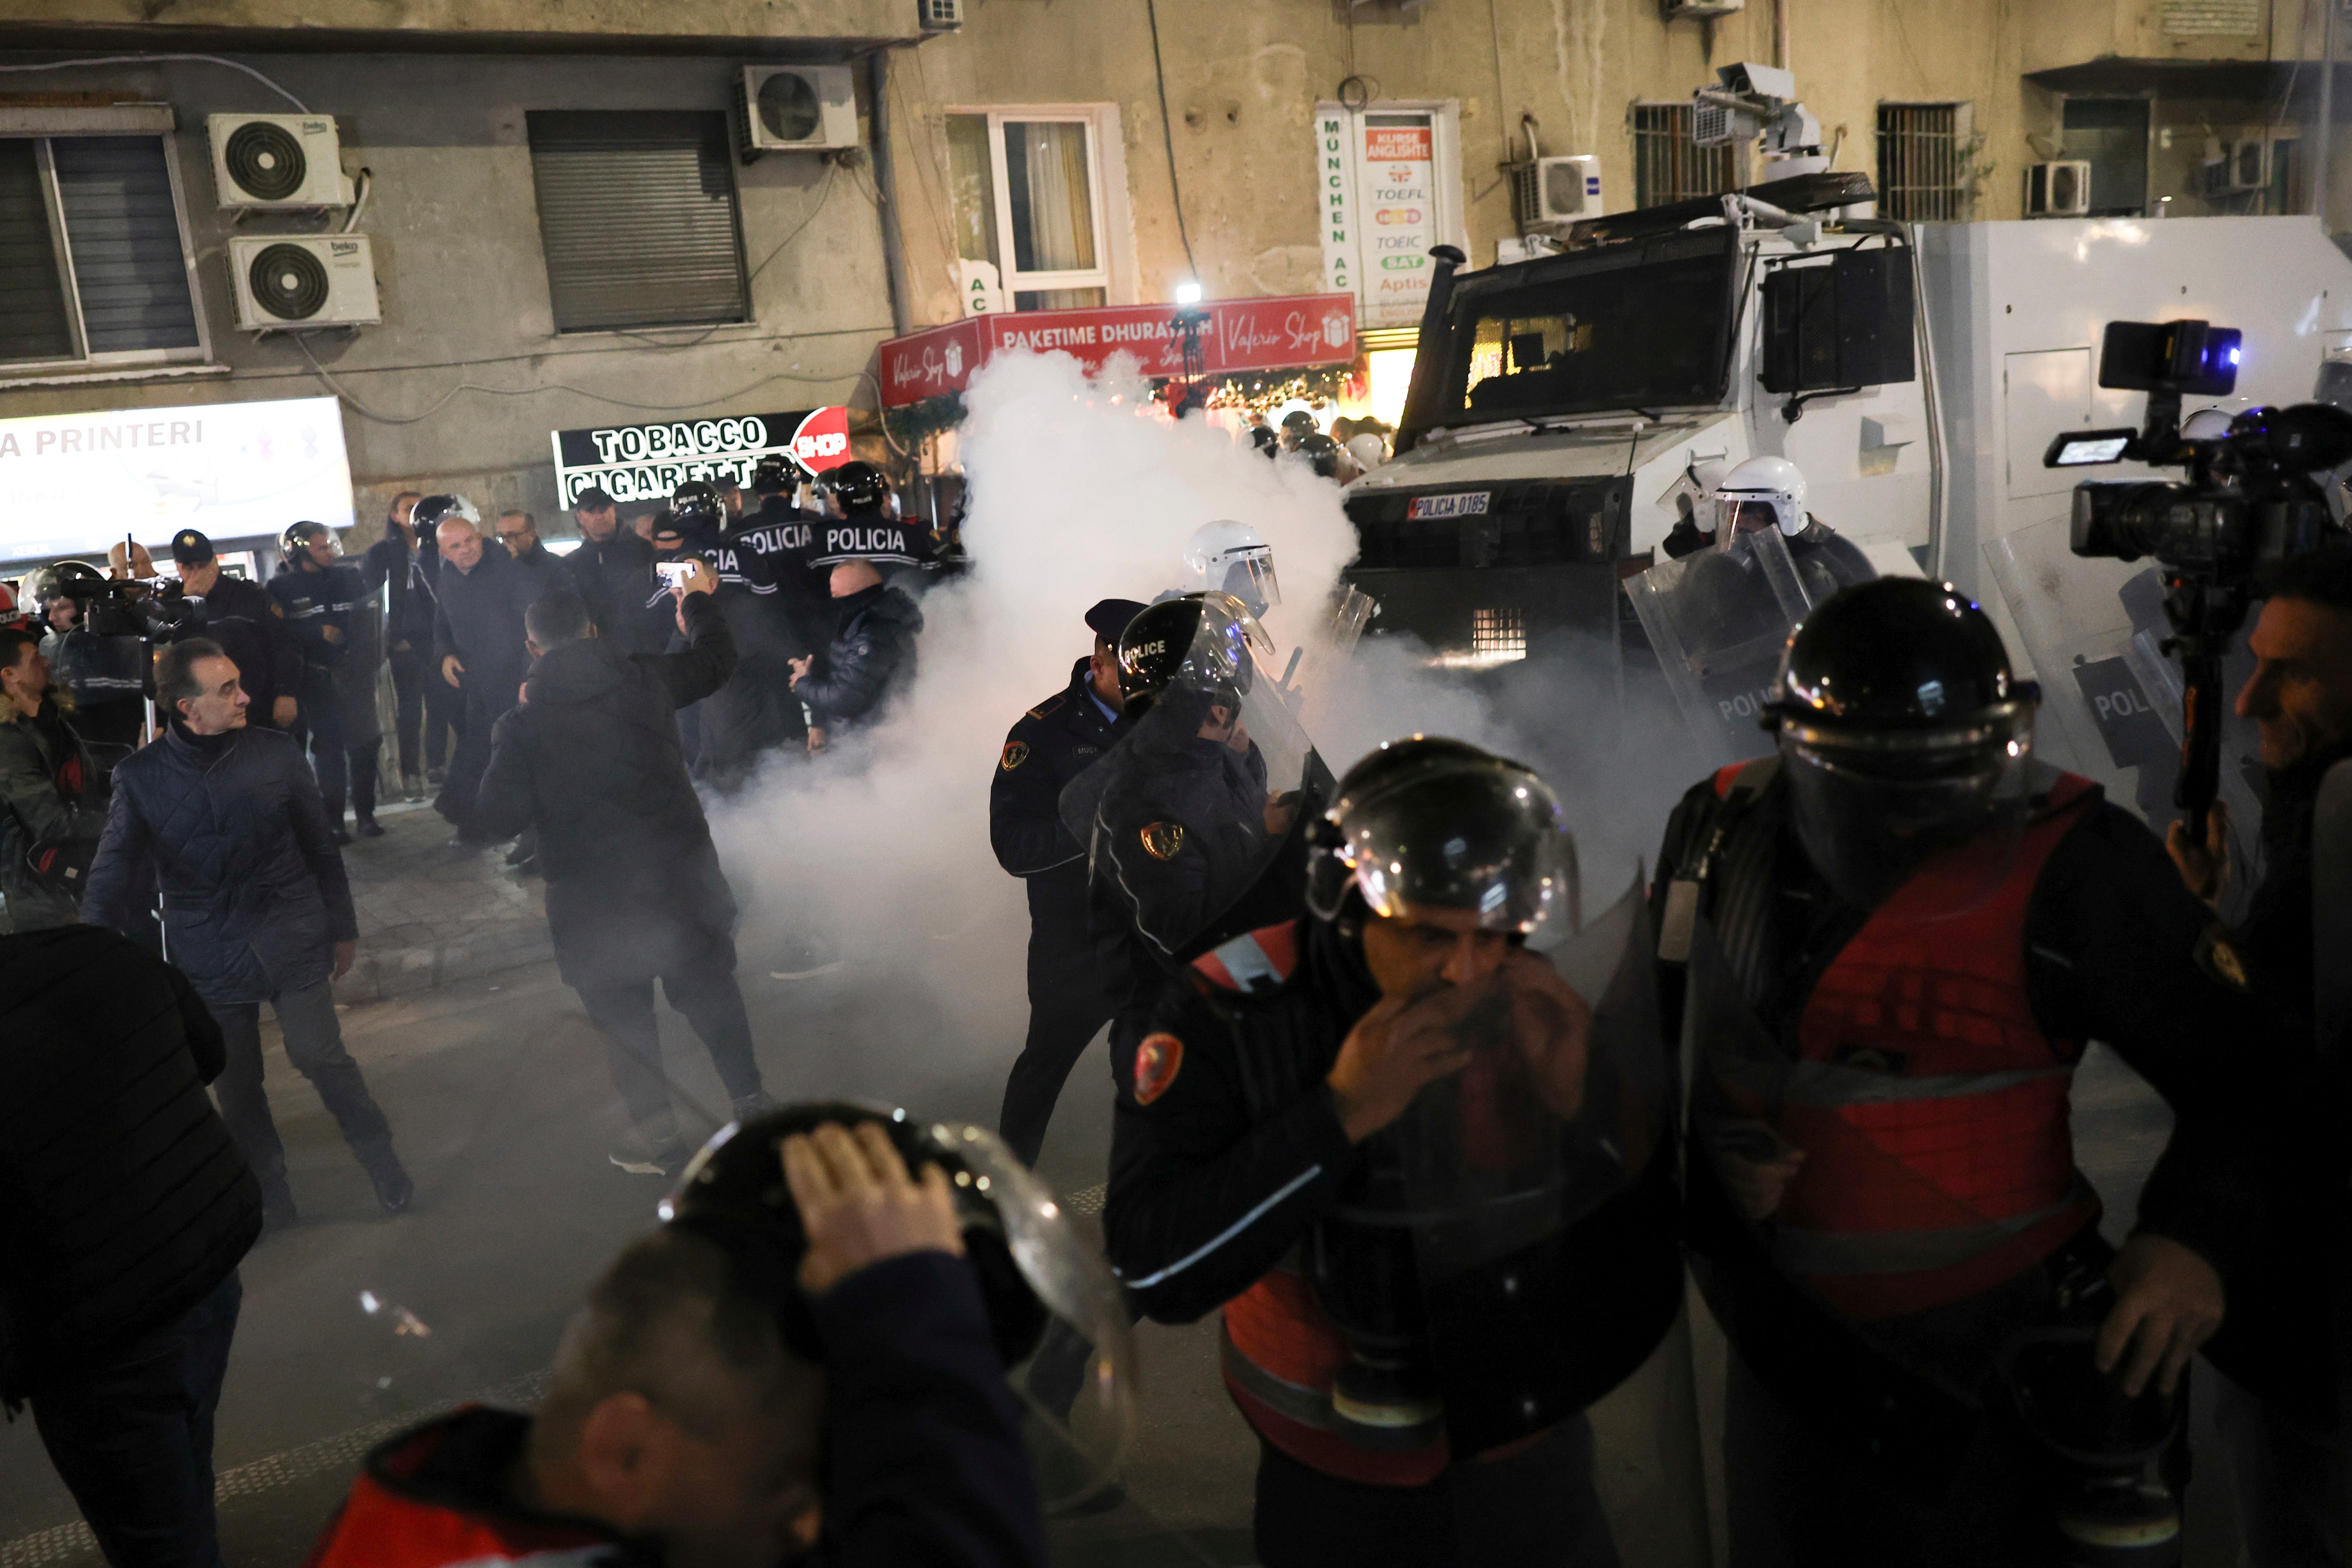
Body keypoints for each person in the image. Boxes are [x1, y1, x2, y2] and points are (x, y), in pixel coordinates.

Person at [1651, 576, 2278, 1566]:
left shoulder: (2074, 859)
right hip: (1788, 1351)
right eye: (1889, 780)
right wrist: (1705, 1148)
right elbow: (1665, 1038)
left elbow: (2248, 1071)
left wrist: (2192, 1240)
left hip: (2003, 1353)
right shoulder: (1718, 831)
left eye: (1953, 770)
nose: (1924, 811)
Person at [1103, 737, 1681, 1567]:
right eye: (1428, 937)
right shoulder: (1231, 1011)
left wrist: (1582, 1096)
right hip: (1334, 1487)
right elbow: (1150, 1264)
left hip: (1530, 1451)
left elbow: (1614, 1231)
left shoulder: (1531, 998)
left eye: (1496, 932)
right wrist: (1337, 1115)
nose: (1468, 971)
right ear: (1344, 902)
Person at [305, 1115, 1047, 1568]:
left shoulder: (454, 1500)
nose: (809, 1529)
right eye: (783, 1486)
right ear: (624, 1449)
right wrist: (906, 1303)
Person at [83, 637, 412, 1230]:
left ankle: (380, 1156)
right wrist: (89, 953)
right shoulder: (141, 777)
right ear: (188, 708)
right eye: (228, 689)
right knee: (236, 1085)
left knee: (319, 1055)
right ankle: (270, 1193)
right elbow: (111, 873)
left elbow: (320, 846)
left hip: (290, 928)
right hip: (208, 947)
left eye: (239, 683)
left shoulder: (276, 752)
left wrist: (342, 929)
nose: (245, 697)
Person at [2162, 541, 2352, 1566]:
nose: (2246, 701)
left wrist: (2191, 937)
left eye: (2295, 672)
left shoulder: (2337, 823)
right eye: (2254, 664)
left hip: (2308, 1328)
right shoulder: (2312, 815)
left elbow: (2263, 1052)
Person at [474, 580, 773, 1175]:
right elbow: (717, 660)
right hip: (679, 879)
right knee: (711, 993)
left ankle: (662, 1142)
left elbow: (495, 818)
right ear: (590, 630)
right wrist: (695, 603)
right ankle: (751, 1103)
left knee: (624, 1023)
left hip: (594, 902)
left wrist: (518, 737)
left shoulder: (522, 723)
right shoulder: (645, 678)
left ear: (532, 647)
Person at [0, 922, 262, 1568]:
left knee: (156, 1539)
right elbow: (208, 1054)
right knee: (184, 1461)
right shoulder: (101, 949)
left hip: (100, 1336)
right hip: (204, 1264)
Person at [990, 597, 1144, 1166]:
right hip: (1076, 937)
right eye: (1135, 676)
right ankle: (1005, 1182)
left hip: (1152, 927)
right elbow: (1014, 847)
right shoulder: (1041, 734)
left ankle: (1153, 1180)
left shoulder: (1162, 714)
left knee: (1153, 1061)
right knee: (1046, 1063)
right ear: (1100, 663)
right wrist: (1094, 825)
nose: (1149, 690)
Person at [672, 478, 797, 789]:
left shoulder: (668, 568)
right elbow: (774, 613)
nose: (680, 602)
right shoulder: (745, 558)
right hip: (744, 741)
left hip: (733, 748)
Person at [430, 500, 541, 850]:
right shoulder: (448, 578)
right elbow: (441, 623)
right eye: (456, 546)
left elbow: (532, 627)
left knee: (520, 758)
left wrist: (529, 677)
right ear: (444, 553)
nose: (466, 550)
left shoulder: (509, 572)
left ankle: (532, 837)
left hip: (515, 681)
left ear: (480, 538)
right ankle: (474, 824)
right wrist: (445, 654)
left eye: (470, 541)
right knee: (478, 753)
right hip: (478, 683)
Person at [268, 522, 381, 843]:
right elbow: (278, 633)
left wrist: (367, 656)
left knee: (366, 745)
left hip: (355, 676)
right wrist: (315, 633)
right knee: (329, 751)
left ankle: (366, 816)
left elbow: (370, 619)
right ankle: (334, 822)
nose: (330, 552)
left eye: (330, 546)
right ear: (300, 552)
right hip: (316, 680)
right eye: (322, 548)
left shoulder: (350, 577)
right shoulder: (281, 588)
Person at [0, 626, 104, 932]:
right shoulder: (8, 742)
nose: (46, 662)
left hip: (78, 871)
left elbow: (85, 780)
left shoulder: (52, 717)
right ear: (10, 675)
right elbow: (49, 823)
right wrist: (119, 817)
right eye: (35, 659)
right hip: (41, 893)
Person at [367, 491, 457, 800]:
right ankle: (411, 772)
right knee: (410, 710)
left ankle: (437, 765)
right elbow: (375, 599)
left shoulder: (440, 546)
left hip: (437, 638)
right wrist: (394, 638)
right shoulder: (382, 553)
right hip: (406, 641)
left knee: (441, 702)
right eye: (409, 508)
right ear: (395, 516)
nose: (417, 513)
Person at [165, 528, 300, 733]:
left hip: (257, 704)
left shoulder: (249, 595)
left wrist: (286, 693)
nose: (197, 573)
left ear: (215, 562)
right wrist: (188, 604)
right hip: (205, 714)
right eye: (189, 567)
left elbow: (284, 644)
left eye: (203, 566)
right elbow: (173, 656)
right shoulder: (173, 605)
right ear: (178, 567)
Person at [787, 557, 923, 754]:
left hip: (875, 745)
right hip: (856, 739)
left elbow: (846, 698)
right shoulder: (861, 619)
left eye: (837, 594)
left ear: (857, 592)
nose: (833, 599)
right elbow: (837, 672)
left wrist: (802, 684)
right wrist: (819, 723)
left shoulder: (875, 632)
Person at [31, 562, 148, 754]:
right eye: (49, 609)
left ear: (89, 606)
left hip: (127, 749)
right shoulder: (53, 648)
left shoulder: (124, 645)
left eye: (62, 608)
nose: (52, 617)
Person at [563, 485, 661, 656]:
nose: (599, 516)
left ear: (614, 510)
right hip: (600, 654)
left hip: (647, 649)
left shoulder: (644, 550)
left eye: (604, 509)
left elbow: (666, 593)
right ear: (580, 517)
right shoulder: (573, 563)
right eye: (591, 511)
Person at [494, 509, 566, 596]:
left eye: (512, 535)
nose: (506, 542)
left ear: (532, 534)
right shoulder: (498, 570)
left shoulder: (556, 568)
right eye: (502, 537)